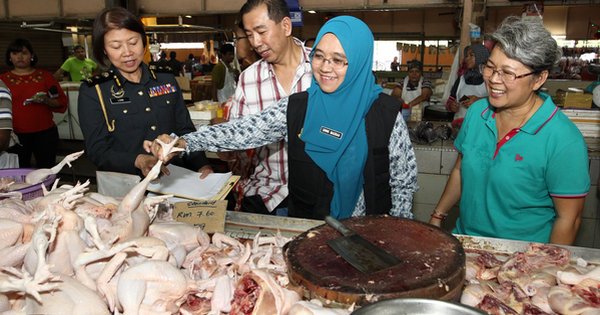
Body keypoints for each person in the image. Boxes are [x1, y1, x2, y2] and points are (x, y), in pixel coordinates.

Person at [146, 15, 418, 221]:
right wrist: (183, 142)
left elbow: (403, 184)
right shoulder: (300, 107)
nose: (325, 68)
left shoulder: (384, 113)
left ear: (359, 62)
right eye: (320, 56)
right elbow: (245, 131)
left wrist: (396, 236)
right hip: (309, 230)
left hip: (368, 235)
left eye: (338, 60)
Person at [429, 16, 590, 245]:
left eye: (508, 73)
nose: (494, 80)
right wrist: (437, 216)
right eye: (491, 68)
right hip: (466, 242)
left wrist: (543, 267)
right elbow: (460, 170)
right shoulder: (477, 114)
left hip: (523, 257)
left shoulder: (562, 139)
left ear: (539, 79)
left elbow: (569, 219)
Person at [78, 7, 212, 178]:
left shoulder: (166, 80)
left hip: (176, 178)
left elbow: (185, 130)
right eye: (116, 46)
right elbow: (97, 150)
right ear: (104, 49)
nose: (127, 52)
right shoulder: (94, 91)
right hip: (127, 185)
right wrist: (138, 160)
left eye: (133, 42)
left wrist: (202, 165)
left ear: (143, 41)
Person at [222, 0, 313, 216]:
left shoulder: (321, 68)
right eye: (249, 34)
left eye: (261, 32)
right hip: (267, 194)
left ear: (286, 26)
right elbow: (237, 142)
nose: (256, 42)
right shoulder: (250, 78)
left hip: (318, 195)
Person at [1, 38, 68, 168]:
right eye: (15, 53)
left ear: (32, 56)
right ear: (9, 57)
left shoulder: (45, 76)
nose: (20, 57)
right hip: (14, 136)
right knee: (18, 173)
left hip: (45, 134)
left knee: (47, 170)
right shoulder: (2, 80)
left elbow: (61, 102)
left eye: (24, 53)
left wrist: (46, 100)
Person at [445, 44, 489, 129]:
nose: (467, 58)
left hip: (482, 128)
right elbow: (450, 100)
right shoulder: (461, 79)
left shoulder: (490, 79)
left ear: (481, 56)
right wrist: (451, 106)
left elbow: (502, 103)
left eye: (471, 55)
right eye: (466, 56)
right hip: (460, 127)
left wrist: (479, 100)